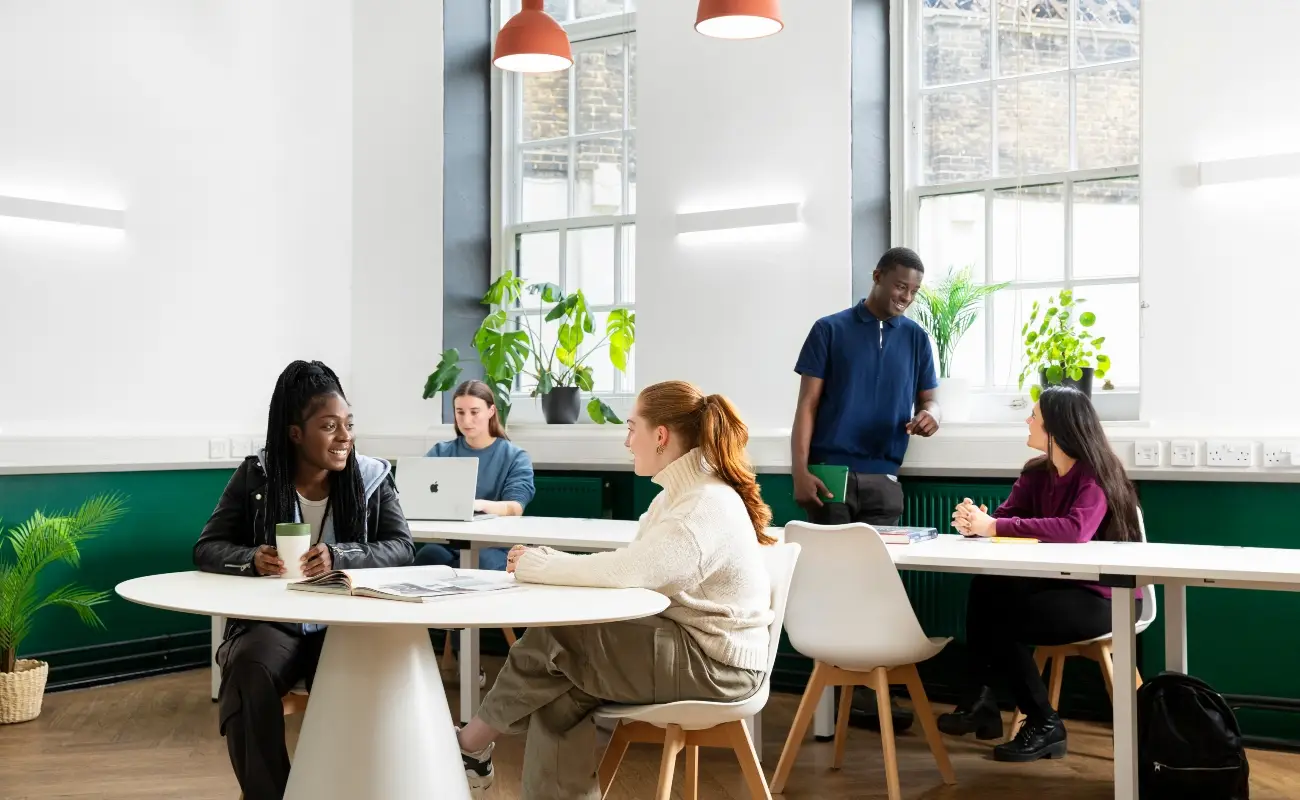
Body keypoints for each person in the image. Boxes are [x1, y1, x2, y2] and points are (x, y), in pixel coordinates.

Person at [452, 380, 775, 799]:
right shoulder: (678, 498)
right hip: (694, 648)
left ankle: (468, 746)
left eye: (631, 427)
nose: (626, 440)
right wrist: (551, 564)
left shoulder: (702, 505)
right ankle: (473, 750)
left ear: (660, 436)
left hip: (719, 668)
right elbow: (637, 567)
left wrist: (545, 565)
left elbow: (633, 570)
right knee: (562, 693)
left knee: (559, 638)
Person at [193, 360, 414, 800]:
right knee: (247, 672)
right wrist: (252, 558)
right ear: (296, 433)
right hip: (275, 622)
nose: (345, 436)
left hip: (347, 624)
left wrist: (341, 556)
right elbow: (208, 546)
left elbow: (402, 547)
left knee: (358, 687)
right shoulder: (257, 475)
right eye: (329, 426)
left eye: (348, 424)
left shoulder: (371, 478)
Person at [938, 384, 1142, 763]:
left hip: (1104, 596)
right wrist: (974, 520)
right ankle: (981, 700)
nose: (1027, 420)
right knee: (987, 588)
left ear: (1058, 429)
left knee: (1005, 618)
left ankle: (1042, 721)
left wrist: (993, 528)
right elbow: (1001, 517)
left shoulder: (1096, 474)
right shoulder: (1035, 475)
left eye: (1035, 416)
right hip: (1054, 588)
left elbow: (1075, 530)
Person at [790, 246, 940, 731]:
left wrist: (931, 416)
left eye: (914, 291)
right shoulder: (829, 329)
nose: (906, 297)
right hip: (831, 471)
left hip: (885, 477)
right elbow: (807, 407)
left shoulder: (917, 339)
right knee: (834, 589)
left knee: (876, 590)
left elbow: (931, 400)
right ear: (877, 276)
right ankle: (829, 710)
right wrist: (799, 470)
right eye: (900, 286)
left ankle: (870, 697)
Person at [413, 379, 535, 571]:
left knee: (483, 561)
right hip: (449, 544)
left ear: (491, 411)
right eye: (460, 412)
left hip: (494, 545)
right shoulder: (440, 452)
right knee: (428, 556)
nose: (466, 420)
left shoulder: (515, 457)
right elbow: (416, 494)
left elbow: (515, 507)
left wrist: (476, 505)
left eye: (474, 412)